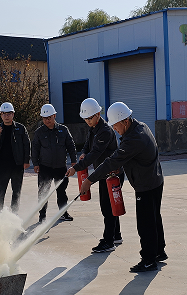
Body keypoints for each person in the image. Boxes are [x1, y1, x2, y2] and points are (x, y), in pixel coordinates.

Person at [79, 102, 166, 273]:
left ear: (125, 121)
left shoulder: (134, 138)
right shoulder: (140, 127)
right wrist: (121, 167)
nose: (114, 129)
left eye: (116, 125)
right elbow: (136, 156)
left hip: (146, 185)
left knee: (145, 223)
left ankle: (148, 260)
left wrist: (89, 180)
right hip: (155, 180)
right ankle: (159, 251)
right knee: (154, 218)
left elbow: (112, 160)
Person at [67, 98, 124, 253]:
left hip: (112, 173)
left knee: (107, 207)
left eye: (90, 118)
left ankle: (108, 241)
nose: (87, 121)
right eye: (85, 119)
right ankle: (116, 235)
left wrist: (76, 168)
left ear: (98, 114)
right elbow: (88, 146)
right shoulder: (94, 128)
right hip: (104, 172)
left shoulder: (104, 131)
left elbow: (95, 153)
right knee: (110, 206)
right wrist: (83, 152)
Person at [31, 103, 77, 223]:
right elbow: (35, 149)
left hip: (60, 167)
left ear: (54, 116)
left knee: (61, 192)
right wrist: (35, 164)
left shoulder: (63, 130)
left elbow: (71, 145)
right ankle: (42, 216)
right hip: (45, 168)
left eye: (49, 117)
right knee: (43, 193)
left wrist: (74, 161)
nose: (47, 120)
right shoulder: (39, 132)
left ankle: (63, 213)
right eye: (44, 118)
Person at [0, 102, 31, 212]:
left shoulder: (20, 128)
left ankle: (14, 213)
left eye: (9, 113)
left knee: (16, 191)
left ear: (13, 114)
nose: (6, 116)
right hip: (2, 165)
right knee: (0, 190)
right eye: (4, 114)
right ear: (1, 115)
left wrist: (26, 160)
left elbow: (27, 144)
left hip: (17, 165)